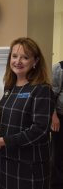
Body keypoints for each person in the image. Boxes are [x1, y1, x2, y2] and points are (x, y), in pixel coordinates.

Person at [0, 37, 54, 189]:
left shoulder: (42, 90)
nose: (18, 61)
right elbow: (11, 121)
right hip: (7, 161)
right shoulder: (9, 88)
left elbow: (39, 130)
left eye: (25, 57)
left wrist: (2, 141)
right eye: (14, 56)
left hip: (30, 165)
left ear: (35, 61)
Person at [50, 60, 63, 189]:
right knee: (57, 155)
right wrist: (53, 116)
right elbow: (52, 95)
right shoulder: (59, 68)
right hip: (60, 118)